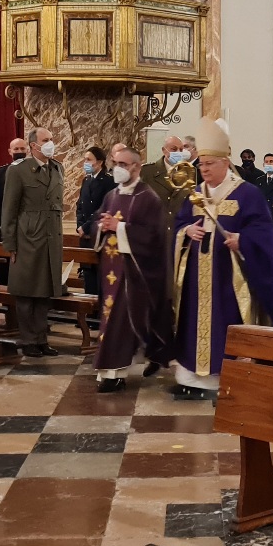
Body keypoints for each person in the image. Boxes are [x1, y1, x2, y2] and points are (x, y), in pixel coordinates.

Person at [171, 118, 273, 400]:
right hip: (196, 280)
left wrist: (243, 241)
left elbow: (263, 234)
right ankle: (191, 375)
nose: (204, 170)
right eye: (200, 165)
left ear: (225, 161)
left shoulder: (247, 194)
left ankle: (225, 375)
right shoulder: (195, 195)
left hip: (229, 278)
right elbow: (178, 226)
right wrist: (186, 231)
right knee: (193, 323)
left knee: (226, 324)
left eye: (209, 164)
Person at [92, 145, 173, 392]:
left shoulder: (148, 197)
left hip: (134, 273)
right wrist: (102, 226)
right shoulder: (112, 194)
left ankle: (115, 373)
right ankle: (114, 370)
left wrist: (120, 228)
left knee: (122, 321)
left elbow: (153, 237)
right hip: (110, 271)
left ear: (137, 167)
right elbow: (98, 220)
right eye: (116, 163)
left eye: (124, 165)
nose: (118, 169)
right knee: (111, 321)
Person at [0, 127, 64, 357]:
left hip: (50, 238)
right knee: (27, 292)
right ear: (33, 145)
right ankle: (28, 340)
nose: (50, 143)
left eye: (51, 139)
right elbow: (9, 210)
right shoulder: (19, 170)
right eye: (46, 140)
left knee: (44, 291)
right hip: (27, 237)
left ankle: (41, 338)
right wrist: (10, 244)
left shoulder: (57, 168)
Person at [76, 146, 116, 300]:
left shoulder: (107, 181)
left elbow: (103, 208)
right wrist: (79, 225)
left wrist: (86, 226)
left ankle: (98, 314)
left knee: (99, 275)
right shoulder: (86, 180)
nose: (85, 163)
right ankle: (88, 313)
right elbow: (80, 206)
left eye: (88, 160)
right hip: (84, 235)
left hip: (98, 233)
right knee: (87, 274)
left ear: (99, 162)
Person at [140, 133, 197, 219]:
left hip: (178, 227)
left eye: (181, 150)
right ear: (164, 150)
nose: (178, 152)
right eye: (174, 149)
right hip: (154, 225)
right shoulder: (147, 171)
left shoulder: (189, 172)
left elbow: (190, 202)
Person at [0, 136, 29, 237]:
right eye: (16, 149)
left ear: (27, 150)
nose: (19, 151)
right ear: (10, 151)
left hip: (28, 225)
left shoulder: (34, 171)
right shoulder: (1, 172)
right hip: (6, 224)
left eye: (22, 148)